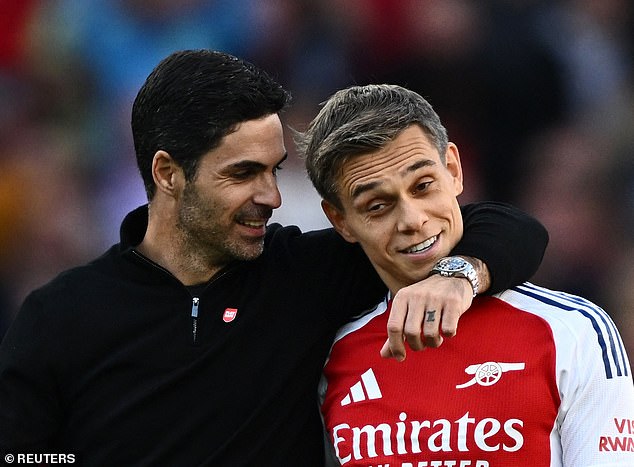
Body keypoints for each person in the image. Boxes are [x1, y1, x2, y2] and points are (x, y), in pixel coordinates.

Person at [0, 50, 548, 466]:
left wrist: (457, 277)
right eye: (242, 174)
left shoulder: (305, 274)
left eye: (274, 170)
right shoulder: (61, 316)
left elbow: (504, 226)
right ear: (168, 174)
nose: (272, 197)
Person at [295, 83, 634, 466]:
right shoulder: (330, 358)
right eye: (377, 206)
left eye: (423, 186)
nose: (413, 220)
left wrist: (458, 275)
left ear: (453, 170)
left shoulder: (573, 330)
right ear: (340, 221)